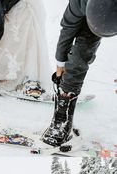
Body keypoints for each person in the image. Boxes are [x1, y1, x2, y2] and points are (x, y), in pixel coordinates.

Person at [42, 0, 117, 147]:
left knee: (82, 53)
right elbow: (67, 30)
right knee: (79, 57)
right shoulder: (79, 3)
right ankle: (62, 117)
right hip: (89, 15)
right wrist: (60, 63)